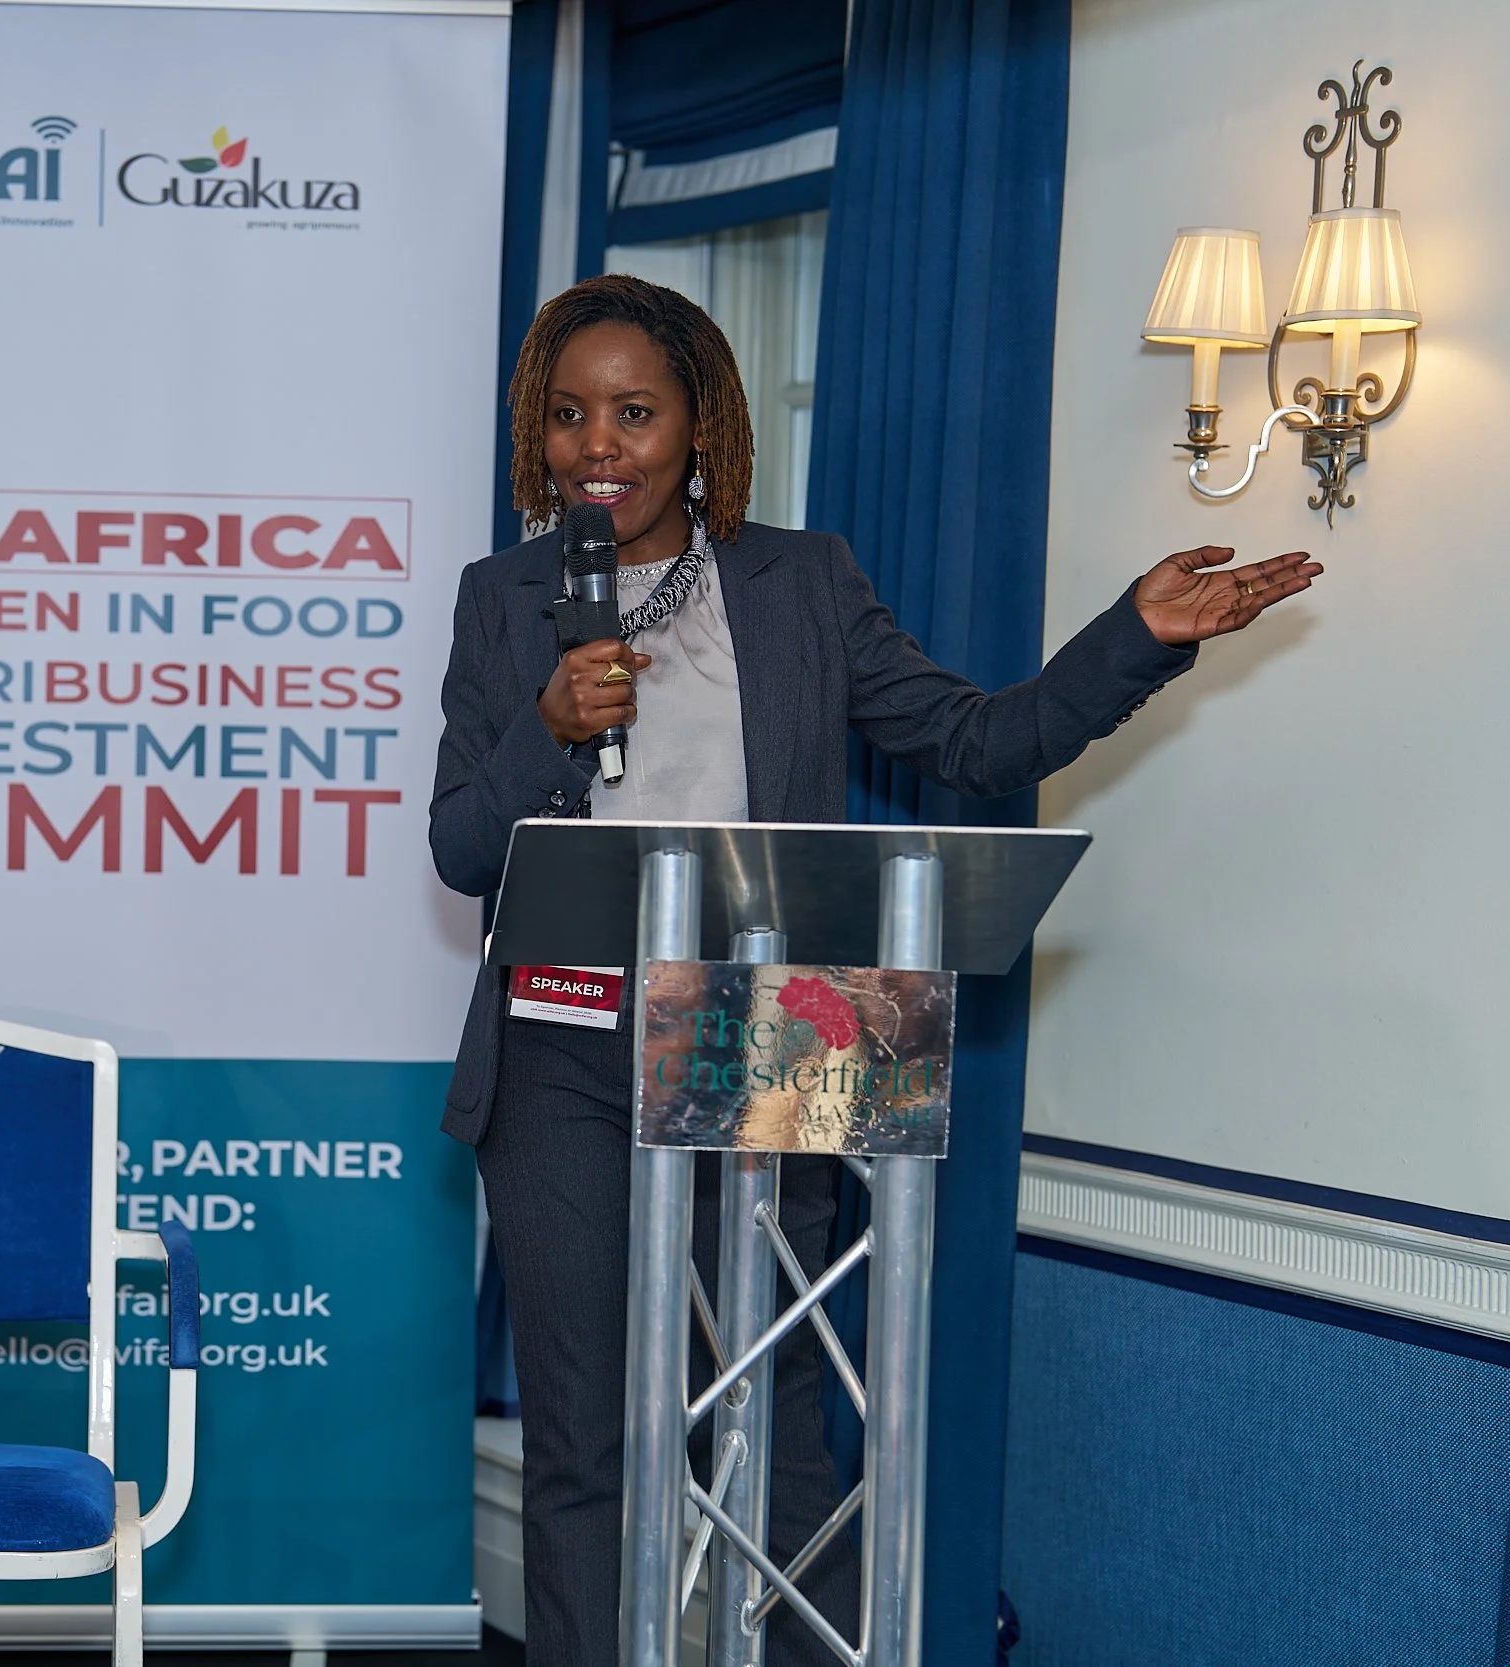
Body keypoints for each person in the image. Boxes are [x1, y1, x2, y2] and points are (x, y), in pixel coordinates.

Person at [429, 274, 1319, 1667]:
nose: (598, 445)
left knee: (776, 1417)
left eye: (635, 412)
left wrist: (1133, 642)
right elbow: (462, 848)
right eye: (569, 415)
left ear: (702, 427)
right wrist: (545, 730)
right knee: (585, 1440)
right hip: (564, 1043)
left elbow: (975, 742)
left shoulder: (801, 582)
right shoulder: (503, 600)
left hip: (772, 1026)